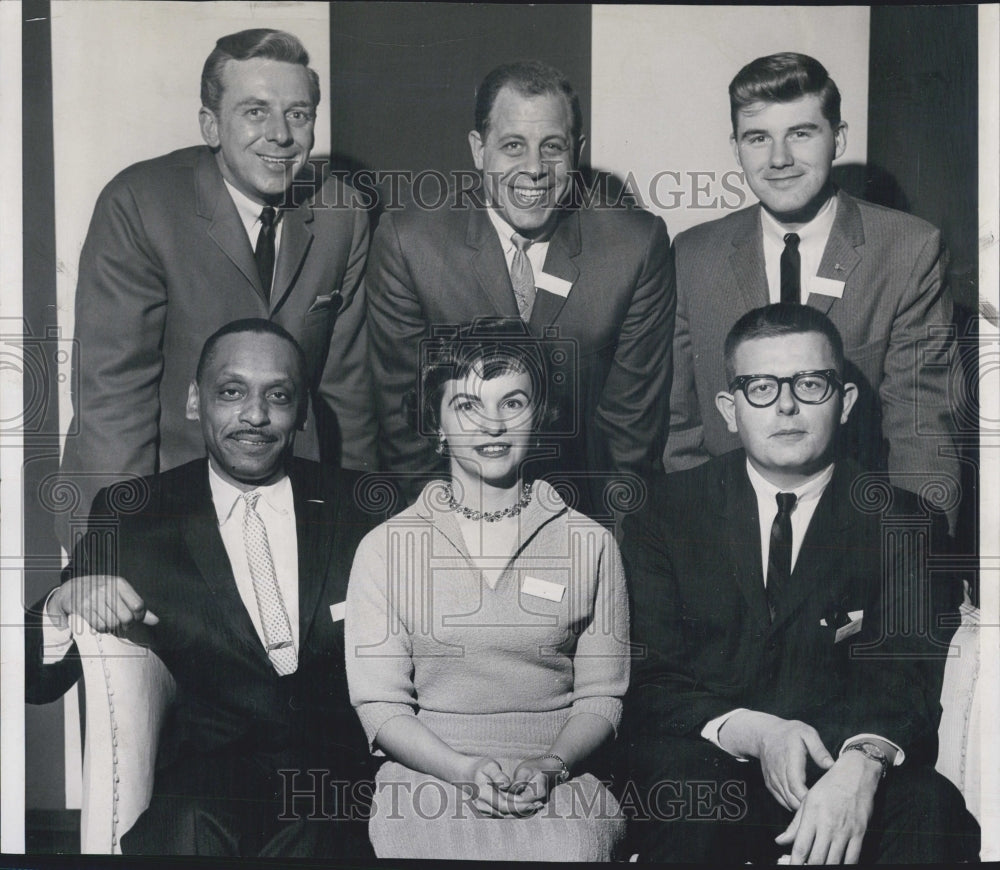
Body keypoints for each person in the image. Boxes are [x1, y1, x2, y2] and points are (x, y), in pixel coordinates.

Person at [622, 303, 977, 863]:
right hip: (711, 765)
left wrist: (863, 764)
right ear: (728, 409)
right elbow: (651, 680)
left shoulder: (903, 522)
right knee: (685, 795)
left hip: (840, 764)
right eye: (760, 386)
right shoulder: (663, 515)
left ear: (846, 402)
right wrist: (759, 733)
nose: (786, 405)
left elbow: (907, 674)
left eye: (810, 384)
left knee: (934, 809)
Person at [26, 320, 374, 857]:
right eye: (231, 392)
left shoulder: (363, 507)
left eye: (277, 396)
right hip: (211, 775)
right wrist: (62, 604)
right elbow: (36, 679)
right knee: (182, 830)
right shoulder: (135, 513)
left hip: (340, 778)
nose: (255, 416)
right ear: (195, 402)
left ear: (301, 411)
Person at [57, 28, 376, 548]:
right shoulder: (140, 204)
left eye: (298, 114)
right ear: (211, 125)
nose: (280, 135)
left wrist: (362, 531)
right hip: (164, 499)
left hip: (292, 502)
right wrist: (119, 545)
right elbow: (116, 400)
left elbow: (347, 397)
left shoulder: (344, 213)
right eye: (255, 112)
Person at [345, 322, 629, 860]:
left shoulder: (590, 542)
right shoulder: (386, 546)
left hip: (558, 775)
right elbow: (380, 705)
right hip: (427, 775)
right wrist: (462, 770)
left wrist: (551, 766)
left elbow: (603, 698)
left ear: (539, 415)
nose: (493, 424)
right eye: (468, 406)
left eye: (513, 402)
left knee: (573, 852)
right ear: (437, 424)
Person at [664, 52, 960, 529]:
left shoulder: (908, 250)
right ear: (736, 147)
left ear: (837, 139)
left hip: (859, 530)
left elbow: (921, 435)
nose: (779, 159)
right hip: (728, 531)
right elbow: (683, 430)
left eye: (801, 133)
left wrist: (915, 557)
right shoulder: (694, 254)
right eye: (758, 138)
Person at [366, 60, 675, 515]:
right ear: (478, 149)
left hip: (586, 517)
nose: (534, 169)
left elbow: (630, 439)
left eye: (552, 147)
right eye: (513, 145)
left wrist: (609, 558)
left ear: (577, 151)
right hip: (454, 518)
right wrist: (450, 544)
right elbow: (406, 429)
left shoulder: (635, 246)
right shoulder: (409, 244)